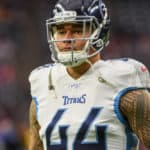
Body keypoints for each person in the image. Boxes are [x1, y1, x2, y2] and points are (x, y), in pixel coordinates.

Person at [28, 0, 150, 150]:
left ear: (99, 33)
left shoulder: (123, 84)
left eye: (77, 31)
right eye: (60, 31)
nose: (67, 39)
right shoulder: (44, 83)